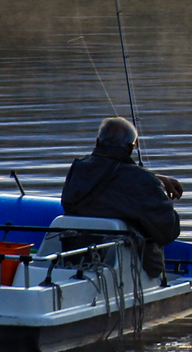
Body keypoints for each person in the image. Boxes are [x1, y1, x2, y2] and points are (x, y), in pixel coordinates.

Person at [60, 117, 183, 277]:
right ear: (131, 149)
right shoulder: (143, 182)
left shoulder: (78, 169)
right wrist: (156, 188)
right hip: (129, 271)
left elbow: (108, 173)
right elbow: (168, 232)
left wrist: (154, 178)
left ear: (97, 142)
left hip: (76, 260)